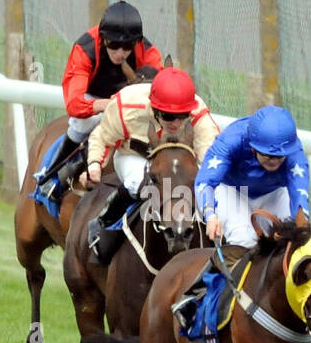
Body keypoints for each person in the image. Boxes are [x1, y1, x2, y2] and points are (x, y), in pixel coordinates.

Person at [81, 67, 221, 265]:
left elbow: (211, 157)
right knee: (140, 183)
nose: (176, 122)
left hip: (178, 160)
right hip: (135, 156)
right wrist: (95, 164)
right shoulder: (125, 106)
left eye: (182, 116)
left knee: (195, 183)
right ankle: (105, 222)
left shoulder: (199, 114)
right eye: (168, 116)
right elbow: (102, 136)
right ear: (154, 108)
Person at [34, 1, 163, 204]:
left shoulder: (148, 52)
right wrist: (104, 105)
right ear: (103, 39)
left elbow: (161, 89)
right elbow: (74, 104)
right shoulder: (84, 49)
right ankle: (53, 175)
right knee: (83, 122)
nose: (121, 53)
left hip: (129, 100)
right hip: (92, 97)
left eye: (127, 46)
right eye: (113, 45)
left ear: (136, 43)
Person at [194, 105, 311, 249]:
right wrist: (210, 215)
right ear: (253, 148)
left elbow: (299, 195)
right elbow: (205, 181)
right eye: (268, 155)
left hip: (274, 193)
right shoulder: (231, 140)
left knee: (294, 242)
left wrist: (302, 227)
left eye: (280, 156)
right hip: (233, 190)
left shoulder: (294, 154)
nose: (274, 161)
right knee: (244, 240)